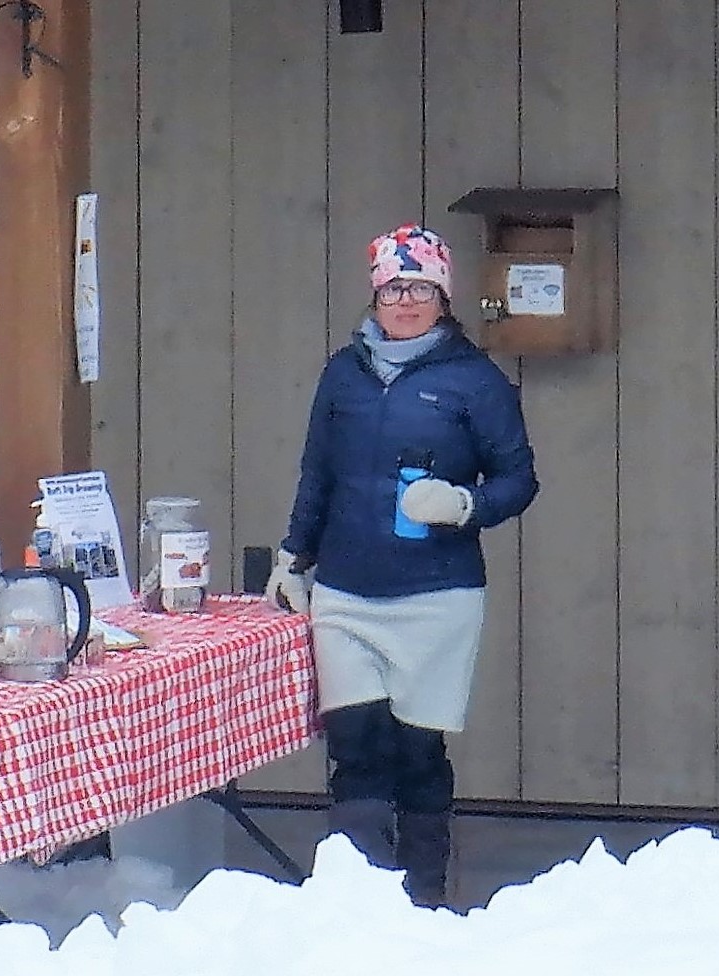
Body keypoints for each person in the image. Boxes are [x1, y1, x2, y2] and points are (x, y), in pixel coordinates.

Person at [264, 224, 538, 907]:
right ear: (374, 295)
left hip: (436, 597)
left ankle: (420, 901)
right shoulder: (342, 373)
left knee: (416, 750)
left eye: (419, 287)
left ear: (442, 295)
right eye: (392, 287)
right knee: (355, 748)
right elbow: (317, 472)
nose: (405, 300)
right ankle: (358, 905)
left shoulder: (473, 381)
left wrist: (463, 504)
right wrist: (293, 554)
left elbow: (518, 480)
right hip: (345, 592)